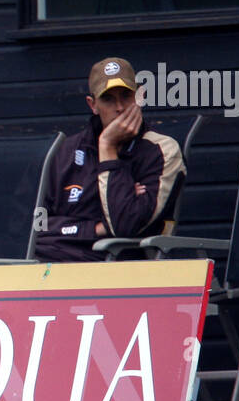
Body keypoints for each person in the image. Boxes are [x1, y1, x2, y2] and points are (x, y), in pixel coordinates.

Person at [35, 57, 185, 262]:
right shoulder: (66, 150)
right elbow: (28, 224)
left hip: (118, 267)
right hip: (51, 261)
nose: (120, 107)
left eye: (126, 96)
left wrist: (107, 146)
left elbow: (124, 225)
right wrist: (96, 228)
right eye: (108, 99)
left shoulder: (162, 150)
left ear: (140, 97)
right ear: (93, 105)